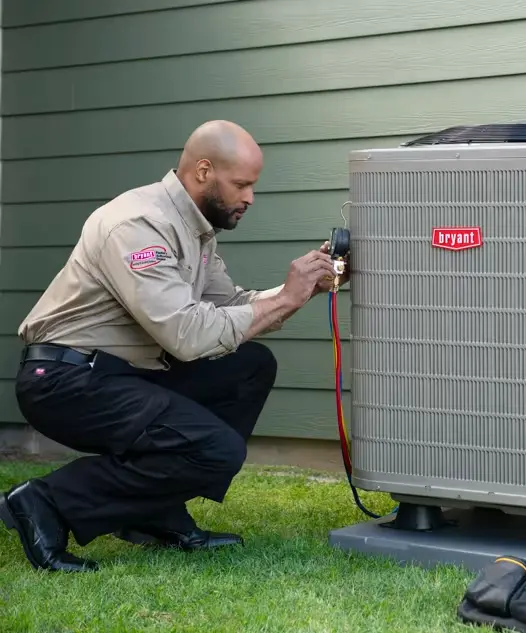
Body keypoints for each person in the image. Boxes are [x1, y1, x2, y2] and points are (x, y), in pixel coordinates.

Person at [0, 120, 347, 573]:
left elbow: (231, 306)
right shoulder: (138, 225)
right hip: (66, 380)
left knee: (249, 365)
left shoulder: (195, 230)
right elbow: (187, 335)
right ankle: (47, 502)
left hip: (123, 372)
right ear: (204, 171)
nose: (250, 198)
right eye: (242, 184)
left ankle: (153, 510)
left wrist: (305, 287)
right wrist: (284, 297)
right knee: (216, 449)